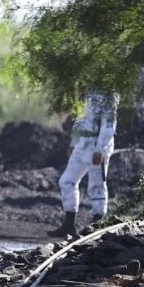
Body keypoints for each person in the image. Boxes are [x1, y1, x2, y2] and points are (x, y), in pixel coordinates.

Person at [47, 92, 118, 238]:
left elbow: (109, 125)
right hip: (82, 144)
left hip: (96, 145)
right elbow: (81, 117)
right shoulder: (89, 91)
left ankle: (97, 225)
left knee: (97, 185)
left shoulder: (110, 94)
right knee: (66, 181)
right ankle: (69, 224)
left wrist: (100, 150)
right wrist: (73, 142)